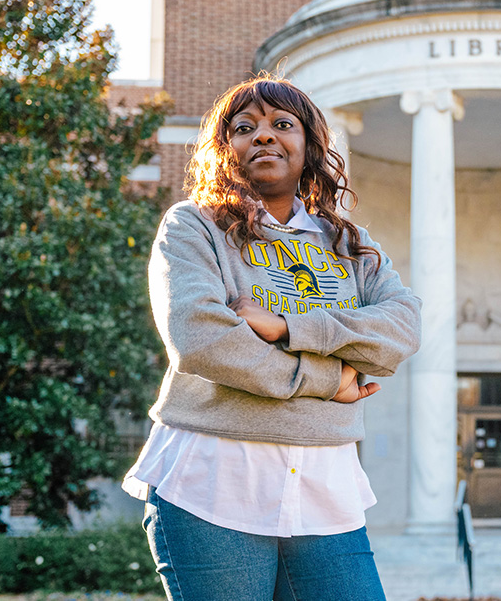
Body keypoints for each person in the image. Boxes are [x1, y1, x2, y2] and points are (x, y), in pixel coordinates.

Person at [122, 76, 422, 601]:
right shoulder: (194, 227)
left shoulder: (349, 243)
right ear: (226, 149)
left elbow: (401, 326)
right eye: (244, 128)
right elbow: (200, 339)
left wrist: (286, 327)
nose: (263, 137)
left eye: (282, 125)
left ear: (308, 147)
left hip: (326, 488)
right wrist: (327, 379)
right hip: (211, 485)